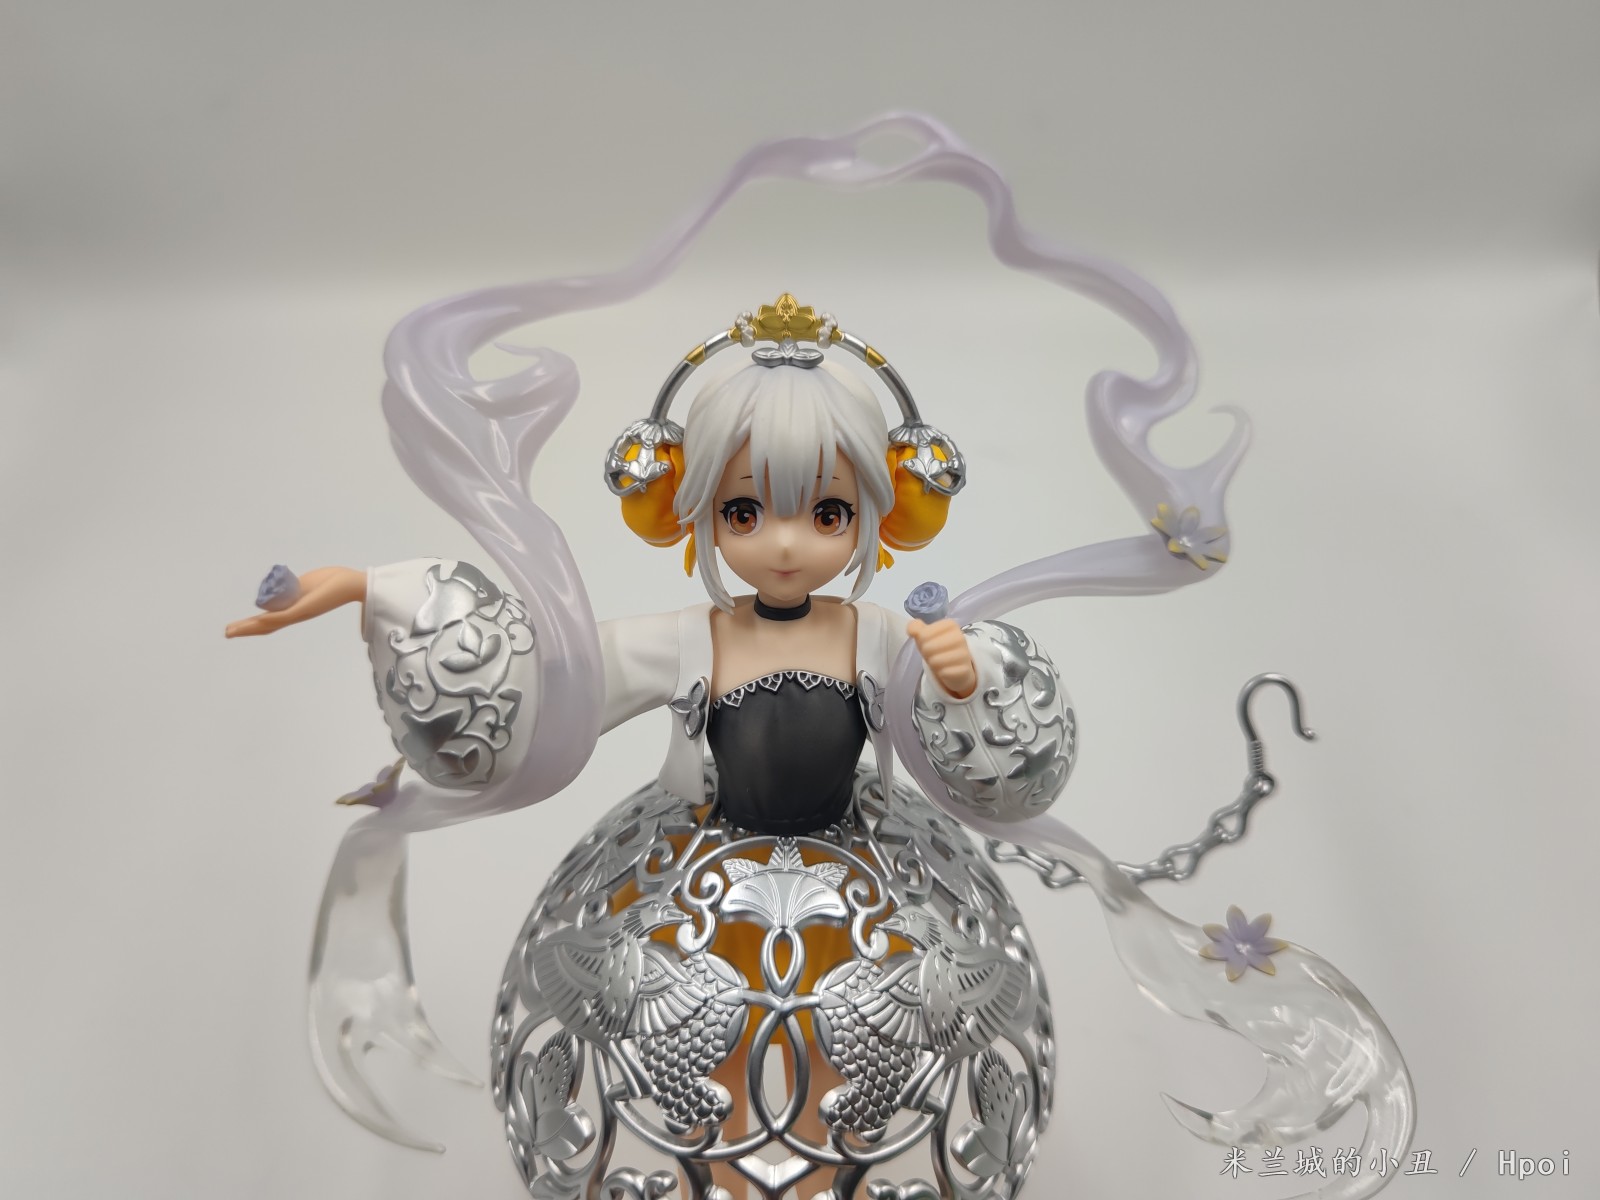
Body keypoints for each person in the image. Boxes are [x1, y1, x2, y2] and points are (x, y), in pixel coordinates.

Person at [227, 116, 1415, 1199]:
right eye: (745, 512)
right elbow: (540, 671)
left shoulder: (881, 636)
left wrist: (960, 680)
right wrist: (374, 589)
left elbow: (995, 754)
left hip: (871, 910)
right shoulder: (684, 641)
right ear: (695, 515)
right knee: (705, 1053)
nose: (786, 543)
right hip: (681, 909)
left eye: (825, 513)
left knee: (863, 1056)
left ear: (873, 518)